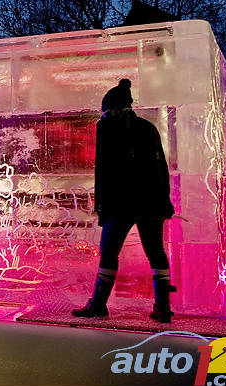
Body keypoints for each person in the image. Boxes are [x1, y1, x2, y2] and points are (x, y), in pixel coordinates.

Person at [72, 78, 177, 323]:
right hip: (151, 201)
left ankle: (98, 304)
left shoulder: (106, 127)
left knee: (109, 252)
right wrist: (165, 202)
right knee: (156, 252)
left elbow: (104, 172)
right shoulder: (148, 128)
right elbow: (161, 167)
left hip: (120, 203)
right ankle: (163, 307)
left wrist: (101, 206)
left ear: (109, 108)